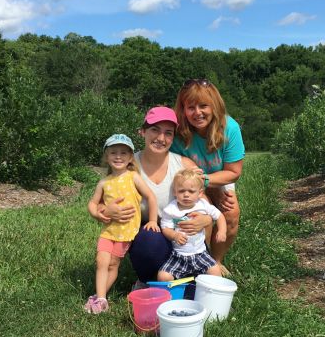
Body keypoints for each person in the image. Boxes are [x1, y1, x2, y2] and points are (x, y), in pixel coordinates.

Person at [96, 107, 213, 284]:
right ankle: (148, 281)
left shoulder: (183, 164)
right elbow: (100, 201)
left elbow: (203, 202)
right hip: (146, 231)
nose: (161, 138)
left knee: (199, 277)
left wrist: (206, 220)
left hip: (179, 229)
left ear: (173, 137)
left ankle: (185, 273)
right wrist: (105, 211)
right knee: (150, 242)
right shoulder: (127, 164)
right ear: (142, 132)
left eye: (168, 133)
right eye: (154, 130)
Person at [171, 79, 245, 273]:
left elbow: (233, 172)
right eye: (191, 107)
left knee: (230, 212)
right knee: (199, 211)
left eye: (204, 106)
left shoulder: (230, 128)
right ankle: (199, 258)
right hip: (188, 181)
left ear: (215, 106)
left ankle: (216, 260)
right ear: (183, 109)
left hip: (220, 177)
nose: (198, 112)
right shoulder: (177, 131)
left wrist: (209, 183)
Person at [85, 134, 159, 314]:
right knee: (101, 261)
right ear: (106, 156)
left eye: (124, 153)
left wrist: (152, 220)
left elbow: (151, 196)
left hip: (126, 232)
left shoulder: (133, 177)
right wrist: (97, 214)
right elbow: (92, 203)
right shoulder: (104, 182)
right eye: (113, 152)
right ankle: (102, 299)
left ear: (130, 157)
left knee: (113, 264)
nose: (118, 156)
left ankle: (98, 295)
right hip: (109, 230)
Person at [157, 169, 227, 282]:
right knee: (163, 276)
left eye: (191, 191)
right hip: (178, 256)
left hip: (200, 254)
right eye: (181, 191)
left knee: (215, 271)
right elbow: (165, 228)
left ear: (200, 193)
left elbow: (219, 216)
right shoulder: (171, 210)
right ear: (175, 192)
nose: (186, 195)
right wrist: (174, 235)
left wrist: (222, 231)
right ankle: (170, 296)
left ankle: (212, 293)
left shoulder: (203, 205)